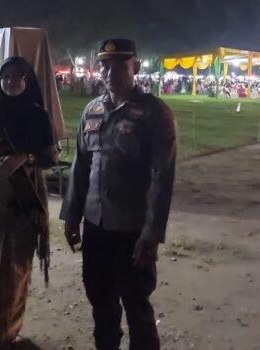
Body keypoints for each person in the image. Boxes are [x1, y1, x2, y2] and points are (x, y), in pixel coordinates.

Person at [61, 39, 177, 350]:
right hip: (96, 226)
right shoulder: (92, 111)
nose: (109, 72)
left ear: (135, 67)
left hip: (132, 229)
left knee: (137, 306)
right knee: (101, 302)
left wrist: (151, 236)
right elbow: (80, 167)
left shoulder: (154, 113)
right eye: (104, 65)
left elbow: (163, 178)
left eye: (118, 65)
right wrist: (72, 216)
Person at [0, 57, 57, 349]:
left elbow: (50, 158)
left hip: (27, 193)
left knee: (17, 265)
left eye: (16, 77)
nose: (10, 82)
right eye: (5, 77)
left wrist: (26, 157)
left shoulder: (39, 116)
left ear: (27, 81)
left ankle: (9, 331)